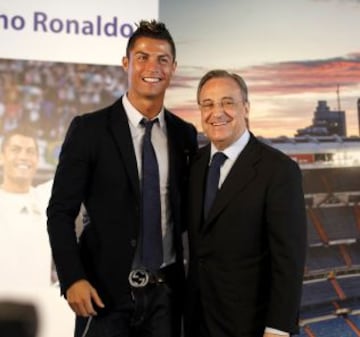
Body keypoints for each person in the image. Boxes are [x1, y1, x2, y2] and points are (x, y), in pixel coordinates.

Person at [47, 20, 198, 337]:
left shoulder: (184, 135)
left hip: (166, 297)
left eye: (162, 59)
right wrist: (72, 278)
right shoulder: (89, 130)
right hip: (104, 297)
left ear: (173, 68)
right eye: (142, 57)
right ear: (126, 63)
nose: (152, 66)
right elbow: (60, 212)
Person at [185, 70, 307, 337]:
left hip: (251, 327)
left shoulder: (278, 170)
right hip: (198, 323)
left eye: (228, 102)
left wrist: (278, 328)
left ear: (246, 108)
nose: (217, 112)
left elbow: (289, 259)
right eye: (208, 104)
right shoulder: (194, 166)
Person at [0, 126, 52, 288]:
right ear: (2, 157)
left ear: (37, 159)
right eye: (16, 150)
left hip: (36, 309)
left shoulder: (47, 197)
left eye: (30, 152)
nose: (24, 157)